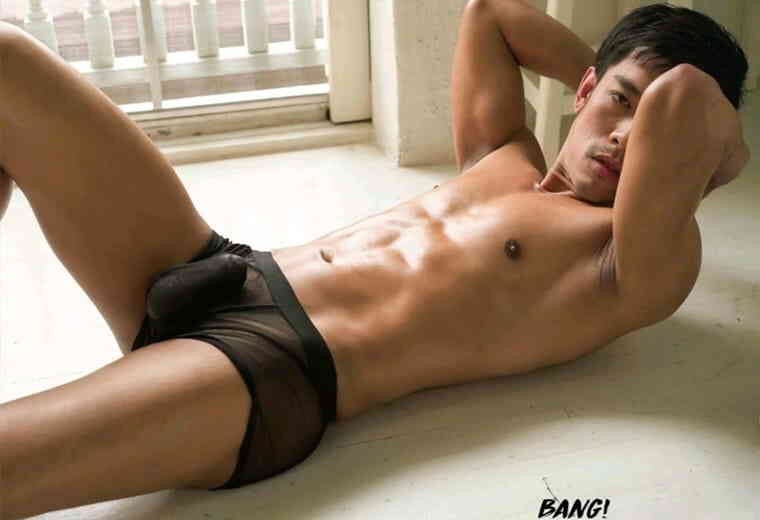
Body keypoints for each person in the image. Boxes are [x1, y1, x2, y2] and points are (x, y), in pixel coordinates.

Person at [0, 0, 750, 517]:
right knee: (7, 60)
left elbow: (686, 95)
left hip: (274, 370)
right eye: (619, 100)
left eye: (651, 128)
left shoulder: (630, 266)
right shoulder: (502, 155)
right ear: (585, 88)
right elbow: (490, 15)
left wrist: (714, 152)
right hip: (224, 268)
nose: (624, 136)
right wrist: (603, 83)